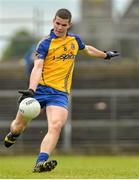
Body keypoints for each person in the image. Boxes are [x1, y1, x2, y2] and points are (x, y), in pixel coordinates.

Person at [4, 8, 119, 173]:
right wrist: (31, 90)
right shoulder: (44, 43)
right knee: (18, 126)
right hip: (40, 90)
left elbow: (87, 49)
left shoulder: (74, 41)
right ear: (53, 21)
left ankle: (40, 163)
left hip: (59, 94)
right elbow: (37, 67)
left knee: (56, 125)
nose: (59, 27)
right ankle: (13, 135)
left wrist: (105, 55)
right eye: (57, 23)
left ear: (69, 25)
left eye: (63, 25)